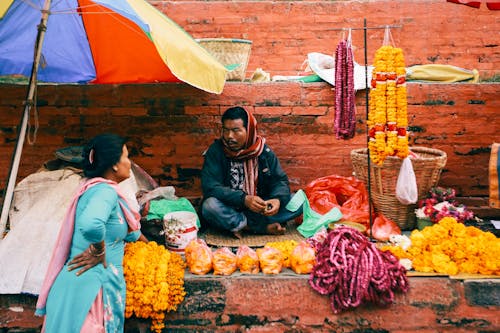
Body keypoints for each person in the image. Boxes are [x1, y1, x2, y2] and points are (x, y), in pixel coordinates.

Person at [35, 133, 148, 333]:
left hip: (81, 285)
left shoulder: (99, 191)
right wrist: (98, 249)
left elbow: (127, 232)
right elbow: (91, 225)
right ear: (114, 165)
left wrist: (153, 247)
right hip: (89, 292)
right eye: (126, 157)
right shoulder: (105, 192)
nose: (129, 163)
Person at [201, 106, 302, 239]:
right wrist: (244, 199)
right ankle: (258, 227)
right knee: (209, 207)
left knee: (299, 201)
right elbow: (210, 187)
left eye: (236, 131)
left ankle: (242, 225)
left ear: (249, 130)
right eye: (226, 130)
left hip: (260, 208)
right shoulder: (216, 151)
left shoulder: (263, 152)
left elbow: (280, 180)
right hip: (230, 207)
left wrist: (277, 199)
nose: (229, 136)